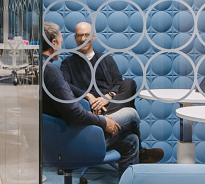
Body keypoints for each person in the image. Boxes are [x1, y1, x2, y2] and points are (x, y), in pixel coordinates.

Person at [41, 22, 161, 174]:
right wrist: (89, 97)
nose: (83, 38)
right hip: (86, 111)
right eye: (79, 35)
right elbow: (67, 92)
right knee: (132, 114)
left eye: (86, 35)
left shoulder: (106, 59)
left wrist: (108, 97)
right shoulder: (64, 65)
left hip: (107, 106)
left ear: (93, 37)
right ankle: (139, 152)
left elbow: (119, 82)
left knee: (130, 86)